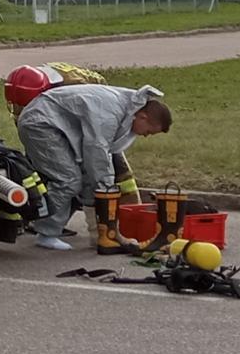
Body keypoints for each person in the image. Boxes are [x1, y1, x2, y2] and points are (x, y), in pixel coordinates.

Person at [16, 84, 173, 251]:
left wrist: (102, 187)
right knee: (69, 180)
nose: (146, 136)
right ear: (142, 117)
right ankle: (46, 234)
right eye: (148, 131)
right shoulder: (112, 113)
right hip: (40, 124)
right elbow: (97, 151)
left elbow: (97, 157)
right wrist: (107, 189)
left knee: (89, 179)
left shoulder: (126, 108)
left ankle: (99, 235)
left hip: (53, 122)